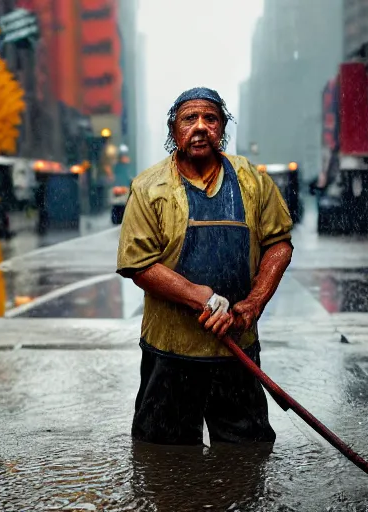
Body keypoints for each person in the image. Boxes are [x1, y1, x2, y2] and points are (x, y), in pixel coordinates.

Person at [117, 87, 293, 446]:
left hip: (237, 349)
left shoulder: (251, 181)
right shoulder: (149, 187)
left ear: (222, 127)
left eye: (210, 119)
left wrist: (253, 304)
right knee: (162, 457)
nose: (200, 127)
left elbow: (279, 244)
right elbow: (138, 264)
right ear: (173, 132)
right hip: (170, 353)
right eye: (189, 119)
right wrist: (201, 297)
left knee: (248, 453)